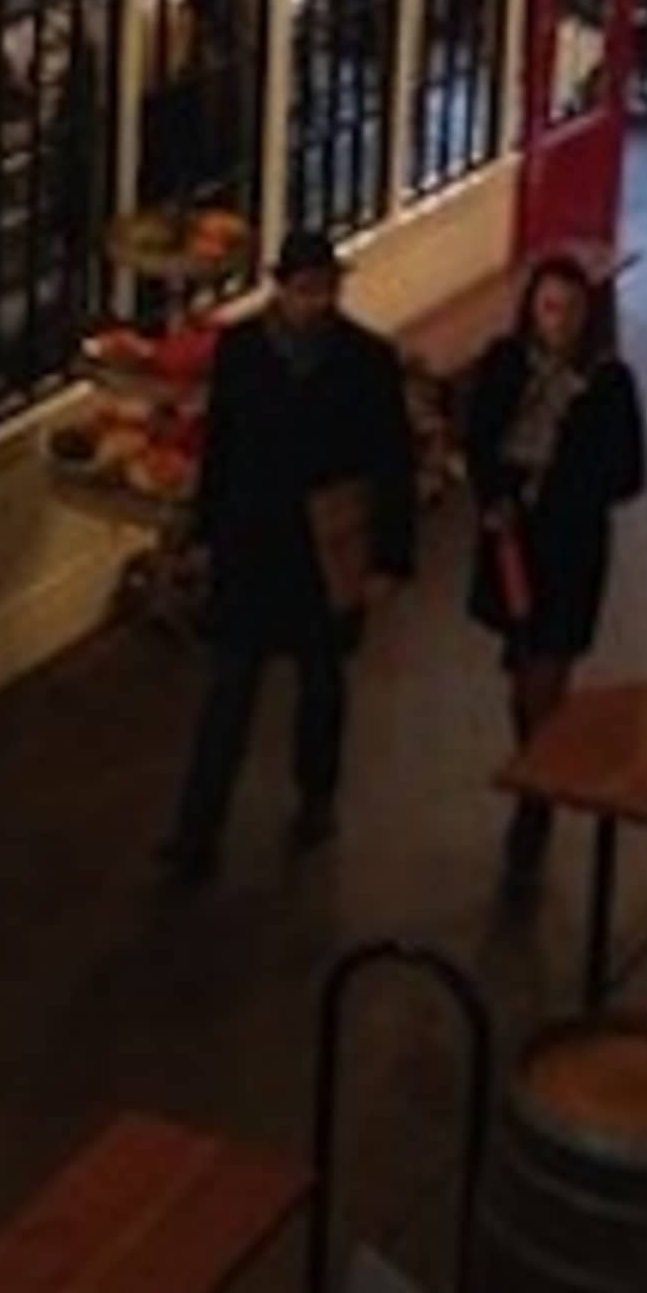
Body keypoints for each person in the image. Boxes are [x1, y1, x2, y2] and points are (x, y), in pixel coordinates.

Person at [160, 230, 416, 884]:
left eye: (325, 290)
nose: (315, 303)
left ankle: (316, 796)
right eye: (305, 290)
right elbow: (221, 447)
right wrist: (202, 534)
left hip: (325, 549)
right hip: (252, 546)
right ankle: (196, 832)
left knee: (322, 689)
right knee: (229, 695)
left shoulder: (367, 361)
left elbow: (392, 463)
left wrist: (389, 557)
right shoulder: (242, 352)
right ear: (282, 288)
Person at [462, 254, 645, 884]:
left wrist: (562, 482)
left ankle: (536, 791)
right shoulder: (506, 363)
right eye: (546, 308)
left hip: (568, 549)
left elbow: (628, 475)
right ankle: (536, 767)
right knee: (523, 672)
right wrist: (496, 499)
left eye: (568, 310)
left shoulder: (608, 382)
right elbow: (478, 440)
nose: (557, 322)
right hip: (513, 542)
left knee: (546, 669)